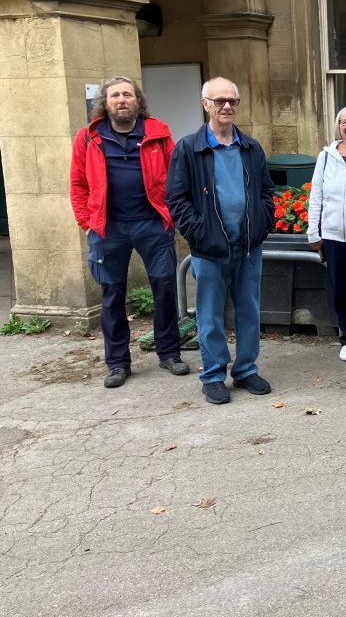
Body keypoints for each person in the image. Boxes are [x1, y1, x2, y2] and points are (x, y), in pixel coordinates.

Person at [70, 76, 187, 388]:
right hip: (108, 229)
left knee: (164, 290)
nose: (122, 100)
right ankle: (118, 363)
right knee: (112, 295)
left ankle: (169, 353)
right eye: (115, 96)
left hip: (152, 224)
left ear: (138, 101)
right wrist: (86, 222)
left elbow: (176, 177)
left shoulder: (158, 134)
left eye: (127, 95)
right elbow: (78, 184)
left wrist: (171, 216)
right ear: (105, 103)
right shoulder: (88, 137)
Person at [166, 77, 275, 405]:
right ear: (205, 104)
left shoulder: (251, 147)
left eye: (232, 101)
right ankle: (213, 374)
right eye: (219, 101)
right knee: (209, 315)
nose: (227, 106)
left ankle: (245, 370)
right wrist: (199, 232)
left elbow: (267, 192)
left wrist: (262, 224)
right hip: (209, 248)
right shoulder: (188, 148)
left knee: (249, 310)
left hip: (248, 246)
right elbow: (177, 198)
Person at [307, 106, 346, 362]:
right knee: (341, 289)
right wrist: (313, 233)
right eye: (345, 122)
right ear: (338, 126)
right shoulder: (326, 156)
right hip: (333, 235)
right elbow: (316, 196)